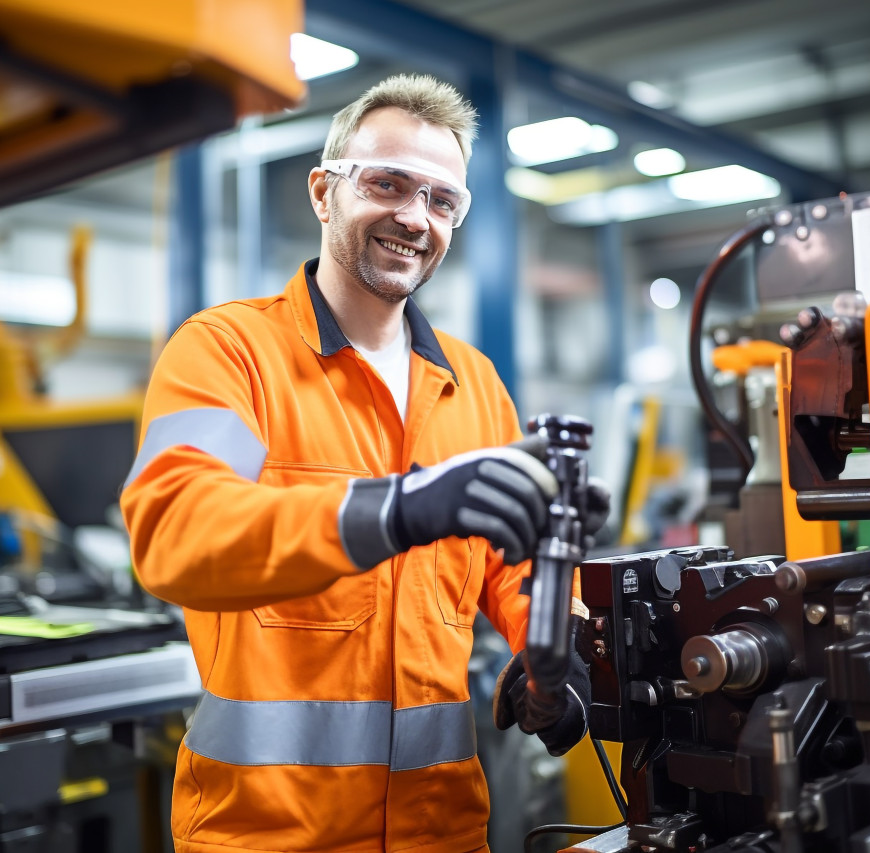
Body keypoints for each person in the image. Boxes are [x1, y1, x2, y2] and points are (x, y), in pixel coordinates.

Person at [121, 74, 600, 853]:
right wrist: (398, 507)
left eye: (442, 200)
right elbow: (177, 532)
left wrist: (555, 651)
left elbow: (511, 563)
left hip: (442, 834)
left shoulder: (475, 385)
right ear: (324, 192)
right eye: (388, 184)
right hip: (267, 837)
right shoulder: (230, 354)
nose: (415, 216)